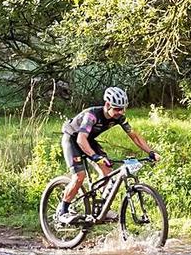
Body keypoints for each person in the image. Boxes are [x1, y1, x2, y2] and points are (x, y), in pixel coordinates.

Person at [56, 86, 159, 224]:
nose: (120, 112)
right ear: (107, 105)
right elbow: (80, 139)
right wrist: (95, 156)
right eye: (117, 109)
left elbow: (134, 136)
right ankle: (62, 210)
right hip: (73, 139)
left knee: (108, 171)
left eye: (123, 108)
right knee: (79, 176)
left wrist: (150, 152)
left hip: (89, 140)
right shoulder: (91, 116)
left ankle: (100, 209)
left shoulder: (119, 117)